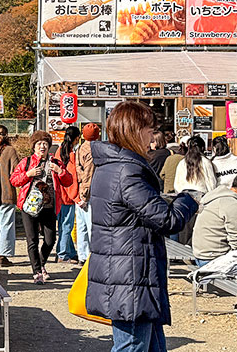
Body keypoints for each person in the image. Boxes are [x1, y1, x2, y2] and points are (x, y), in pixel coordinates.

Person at [86, 101, 198, 352]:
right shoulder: (128, 171)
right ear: (133, 130)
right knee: (132, 347)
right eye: (149, 129)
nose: (153, 136)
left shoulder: (111, 166)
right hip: (132, 274)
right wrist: (189, 199)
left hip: (128, 270)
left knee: (150, 346)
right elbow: (167, 220)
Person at [10, 130, 66, 284]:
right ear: (33, 146)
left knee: (50, 239)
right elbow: (14, 180)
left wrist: (60, 172)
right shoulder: (26, 162)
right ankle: (37, 272)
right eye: (39, 143)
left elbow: (68, 181)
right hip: (29, 207)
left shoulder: (55, 162)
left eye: (45, 143)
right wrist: (29, 174)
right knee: (32, 240)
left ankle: (41, 264)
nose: (42, 146)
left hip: (49, 207)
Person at [192, 174, 237, 267]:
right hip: (214, 258)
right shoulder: (233, 203)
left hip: (201, 253)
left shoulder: (217, 195)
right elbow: (235, 239)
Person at [53, 125, 81, 264]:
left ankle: (70, 252)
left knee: (63, 225)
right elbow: (72, 179)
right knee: (66, 226)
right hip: (68, 197)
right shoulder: (71, 155)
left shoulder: (59, 151)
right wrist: (76, 197)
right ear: (76, 139)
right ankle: (62, 254)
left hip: (58, 195)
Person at [75, 122, 100, 265]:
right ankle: (90, 256)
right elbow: (89, 175)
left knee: (81, 227)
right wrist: (84, 195)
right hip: (88, 193)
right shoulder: (93, 150)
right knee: (91, 226)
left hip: (79, 190)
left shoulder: (79, 148)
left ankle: (82, 255)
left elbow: (80, 171)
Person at [0, 125, 20, 268]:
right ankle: (2, 255)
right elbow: (16, 172)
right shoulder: (10, 151)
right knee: (6, 225)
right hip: (7, 193)